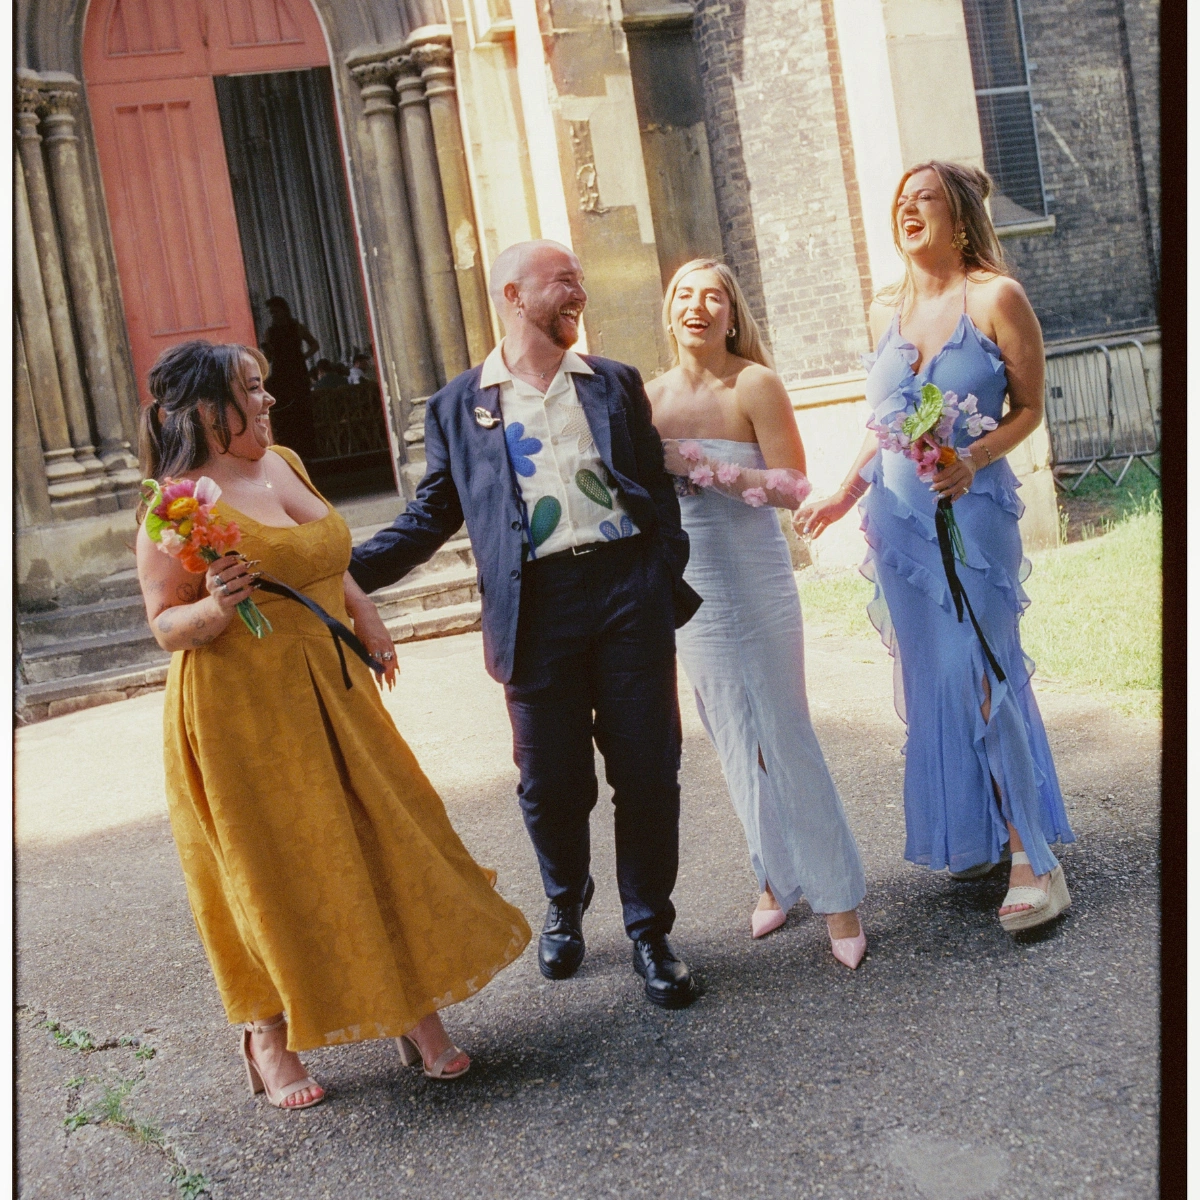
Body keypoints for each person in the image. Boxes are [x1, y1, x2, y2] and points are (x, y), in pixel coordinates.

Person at [135, 340, 531, 1108]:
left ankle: (412, 1008)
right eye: (253, 389)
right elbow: (163, 623)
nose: (269, 400)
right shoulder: (177, 506)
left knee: (384, 836)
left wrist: (366, 614)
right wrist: (215, 606)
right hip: (242, 713)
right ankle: (268, 1033)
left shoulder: (283, 462)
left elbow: (325, 558)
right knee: (276, 868)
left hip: (333, 690)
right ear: (210, 409)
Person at [349, 240, 703, 1009]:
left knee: (648, 769)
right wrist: (343, 572)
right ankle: (565, 902)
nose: (579, 292)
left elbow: (652, 483)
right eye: (563, 281)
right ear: (513, 295)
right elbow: (430, 515)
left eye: (581, 278)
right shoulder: (459, 405)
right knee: (550, 783)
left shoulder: (613, 382)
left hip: (626, 592)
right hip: (535, 608)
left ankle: (650, 930)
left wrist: (659, 569)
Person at [799, 162, 1074, 933]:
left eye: (925, 198)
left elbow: (1028, 408)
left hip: (973, 518)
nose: (908, 208)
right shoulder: (885, 311)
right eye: (901, 200)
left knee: (981, 673)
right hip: (900, 526)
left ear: (959, 217)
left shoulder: (995, 298)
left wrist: (973, 460)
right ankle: (984, 834)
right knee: (938, 684)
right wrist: (843, 492)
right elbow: (885, 421)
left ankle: (1034, 863)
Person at [646, 260, 868, 969]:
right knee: (732, 734)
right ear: (669, 311)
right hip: (691, 583)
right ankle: (775, 874)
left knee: (783, 727)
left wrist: (702, 467)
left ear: (732, 314)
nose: (698, 306)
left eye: (713, 296)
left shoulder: (754, 385)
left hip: (755, 572)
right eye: (685, 295)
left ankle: (839, 897)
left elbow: (792, 486)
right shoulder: (646, 398)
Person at [260, 297, 319, 461]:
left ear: (284, 310)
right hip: (281, 372)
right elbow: (269, 356)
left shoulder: (297, 327)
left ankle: (307, 450)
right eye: (272, 312)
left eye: (276, 311)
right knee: (285, 412)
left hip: (297, 372)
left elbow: (314, 344)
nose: (274, 315)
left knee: (302, 410)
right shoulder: (270, 332)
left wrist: (303, 357)